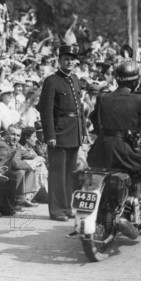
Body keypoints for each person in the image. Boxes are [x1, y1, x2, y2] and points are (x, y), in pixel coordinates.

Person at [87, 61, 141, 228]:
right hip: (124, 151)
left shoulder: (103, 97)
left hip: (99, 151)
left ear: (117, 80)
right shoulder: (138, 99)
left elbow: (94, 120)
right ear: (135, 82)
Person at [37, 44, 87, 222]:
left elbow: (79, 108)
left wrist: (83, 131)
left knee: (70, 174)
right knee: (58, 173)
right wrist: (49, 135)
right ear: (59, 60)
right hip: (58, 133)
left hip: (74, 131)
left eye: (73, 59)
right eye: (66, 59)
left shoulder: (74, 79)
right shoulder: (51, 81)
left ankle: (67, 207)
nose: (70, 62)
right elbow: (46, 110)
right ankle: (56, 210)